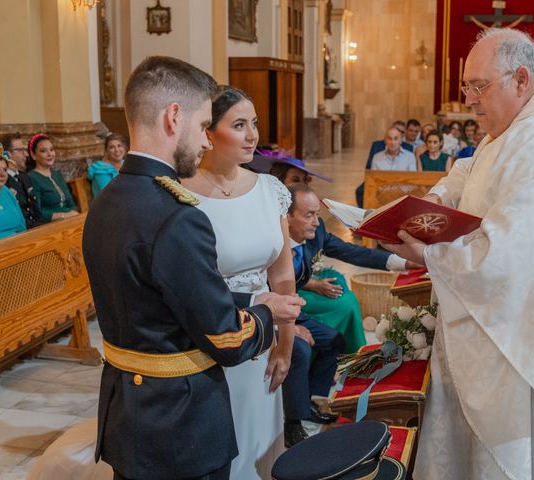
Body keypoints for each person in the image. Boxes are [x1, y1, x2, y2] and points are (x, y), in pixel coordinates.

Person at [382, 28, 534, 479]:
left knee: (519, 457)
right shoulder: (513, 130)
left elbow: (508, 261)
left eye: (479, 86)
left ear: (521, 80)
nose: (469, 99)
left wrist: (427, 255)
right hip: (505, 332)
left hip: (525, 345)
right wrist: (426, 207)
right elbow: (469, 172)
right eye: (466, 86)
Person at [80, 56, 303, 480]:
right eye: (204, 126)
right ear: (173, 117)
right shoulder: (177, 215)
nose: (204, 141)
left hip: (128, 412)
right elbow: (228, 338)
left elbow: (154, 293)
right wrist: (266, 313)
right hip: (181, 425)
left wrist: (252, 296)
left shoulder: (108, 200)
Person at [180, 86, 297, 479]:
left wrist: (285, 346)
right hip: (208, 342)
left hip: (263, 343)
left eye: (255, 124)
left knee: (259, 442)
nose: (253, 136)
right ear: (208, 133)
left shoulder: (270, 190)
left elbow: (282, 276)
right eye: (240, 125)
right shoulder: (179, 194)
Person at [287, 183, 413, 353]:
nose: (316, 222)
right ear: (286, 216)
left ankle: (350, 352)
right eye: (309, 215)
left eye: (317, 214)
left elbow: (350, 251)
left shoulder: (317, 230)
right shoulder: (271, 244)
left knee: (345, 293)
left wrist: (404, 262)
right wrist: (313, 285)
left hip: (302, 284)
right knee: (345, 304)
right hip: (286, 298)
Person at [0, 133, 46, 228]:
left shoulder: (24, 177)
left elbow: (36, 211)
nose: (26, 154)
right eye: (20, 150)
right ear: (6, 154)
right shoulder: (2, 182)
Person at [27, 134, 79, 221]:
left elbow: (71, 204)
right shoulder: (32, 177)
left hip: (70, 220)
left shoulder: (57, 174)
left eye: (51, 149)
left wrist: (73, 214)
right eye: (43, 151)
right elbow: (37, 212)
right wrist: (63, 216)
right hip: (51, 226)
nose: (50, 154)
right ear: (33, 155)